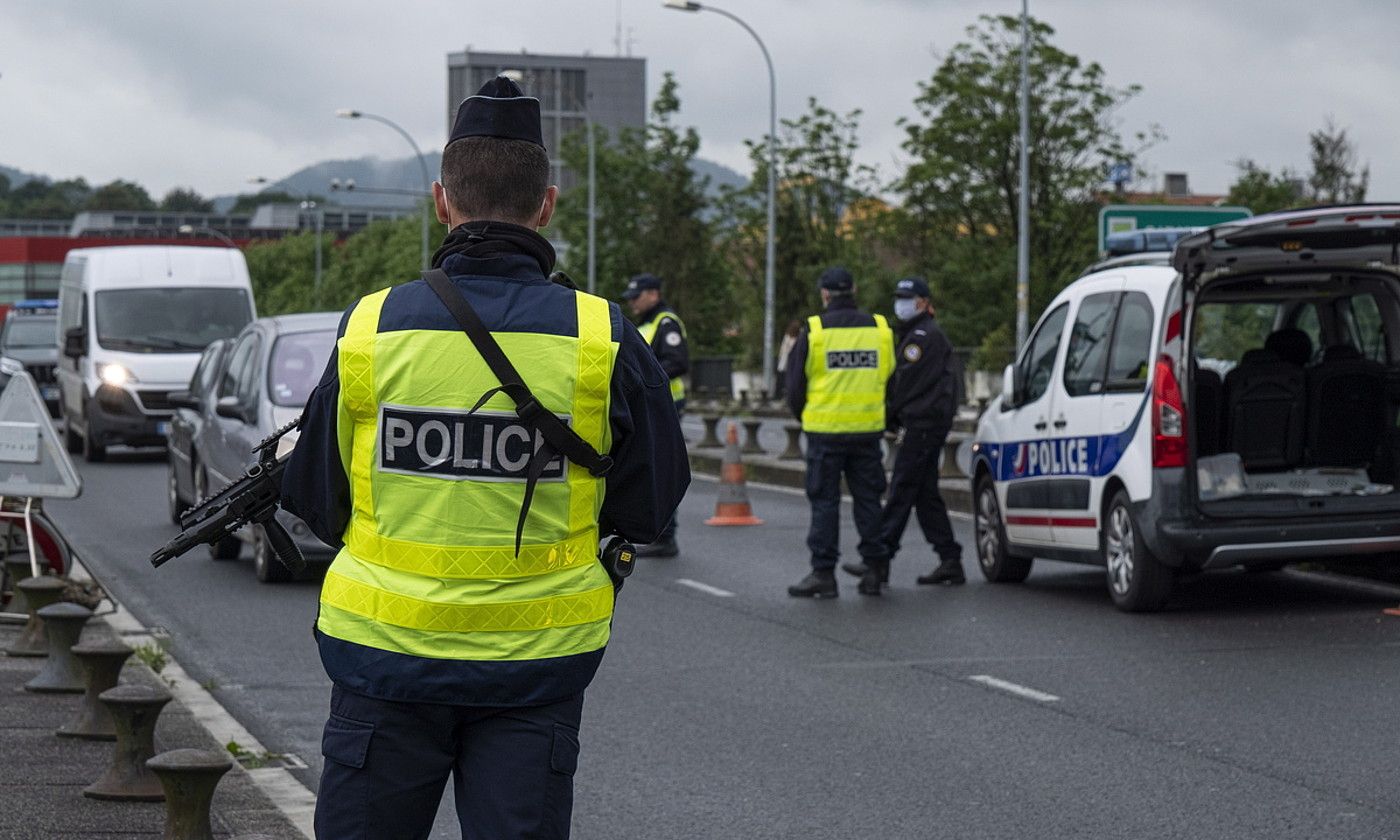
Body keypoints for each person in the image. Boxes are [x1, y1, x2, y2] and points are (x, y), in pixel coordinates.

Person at [280, 75, 689, 840]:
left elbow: (315, 497)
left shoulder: (372, 329)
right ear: (547, 204)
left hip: (383, 666)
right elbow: (652, 500)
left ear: (442, 201)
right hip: (536, 672)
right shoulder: (602, 337)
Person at [843, 276, 964, 595]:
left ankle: (878, 560)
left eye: (908, 298)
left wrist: (889, 416)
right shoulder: (918, 333)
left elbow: (905, 384)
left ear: (924, 302)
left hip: (924, 424)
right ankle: (950, 558)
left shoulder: (923, 337)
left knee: (901, 490)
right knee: (925, 496)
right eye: (900, 297)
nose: (902, 303)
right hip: (927, 423)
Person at [784, 267, 895, 598]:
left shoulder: (814, 330)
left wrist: (805, 414)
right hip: (867, 432)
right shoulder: (880, 329)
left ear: (825, 294)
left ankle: (823, 574)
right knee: (868, 501)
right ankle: (874, 570)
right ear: (854, 290)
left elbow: (794, 387)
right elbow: (892, 379)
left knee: (825, 503)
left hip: (825, 433)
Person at [622, 273, 688, 558]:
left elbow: (676, 362)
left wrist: (644, 380)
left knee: (660, 470)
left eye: (637, 297)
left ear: (653, 294)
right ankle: (660, 534)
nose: (633, 302)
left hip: (666, 405)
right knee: (652, 469)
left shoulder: (666, 323)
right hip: (651, 404)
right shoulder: (647, 324)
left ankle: (665, 537)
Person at [774, 319, 802, 400]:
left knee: (782, 379)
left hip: (785, 361)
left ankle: (780, 395)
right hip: (790, 361)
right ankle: (785, 395)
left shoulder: (788, 337)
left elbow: (783, 349)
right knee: (788, 379)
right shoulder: (798, 337)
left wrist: (780, 357)